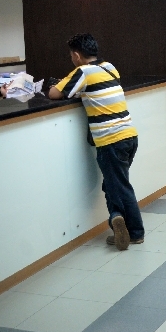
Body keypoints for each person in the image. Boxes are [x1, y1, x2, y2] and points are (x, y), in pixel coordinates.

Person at [48, 33, 143, 251]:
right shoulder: (110, 67)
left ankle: (133, 230)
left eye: (72, 56)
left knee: (119, 185)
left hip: (110, 140)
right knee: (114, 183)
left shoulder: (82, 72)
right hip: (129, 135)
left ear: (77, 55)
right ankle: (119, 219)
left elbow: (54, 93)